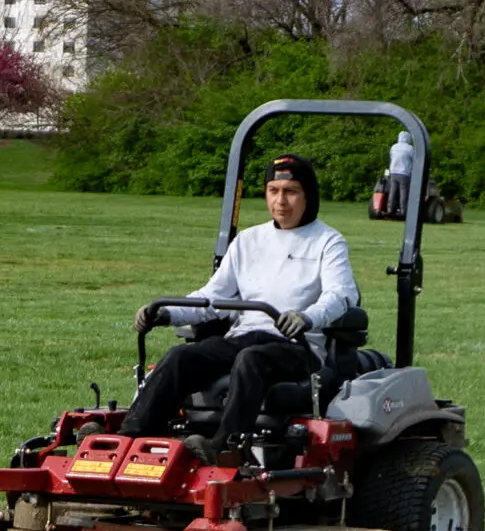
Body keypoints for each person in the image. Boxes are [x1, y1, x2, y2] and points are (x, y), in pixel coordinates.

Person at [122, 153, 357, 451]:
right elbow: (212, 297)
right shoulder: (248, 240)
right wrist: (165, 313)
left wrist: (307, 317)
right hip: (244, 337)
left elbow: (340, 294)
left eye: (291, 191)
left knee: (252, 359)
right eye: (273, 191)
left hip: (298, 345)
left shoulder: (327, 241)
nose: (281, 201)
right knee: (181, 357)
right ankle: (130, 440)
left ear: (308, 195)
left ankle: (224, 447)